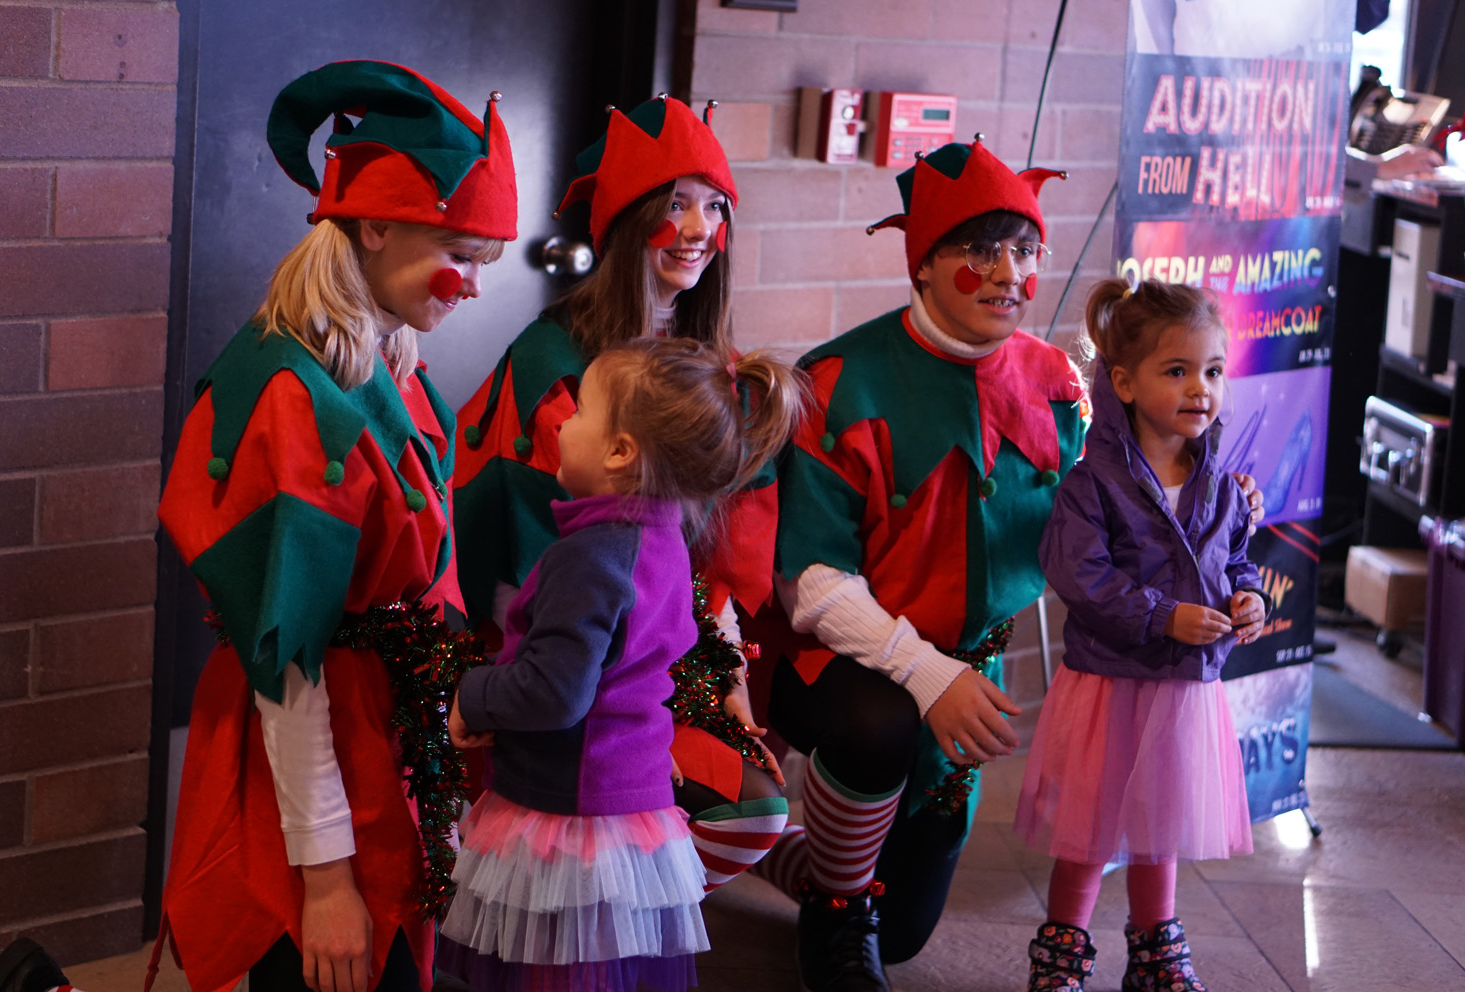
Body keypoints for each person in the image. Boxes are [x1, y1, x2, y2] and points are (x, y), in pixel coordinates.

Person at [151, 60, 516, 992]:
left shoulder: (390, 361)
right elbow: (289, 665)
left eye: (485, 261)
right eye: (459, 253)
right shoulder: (289, 397)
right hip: (313, 760)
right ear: (376, 226)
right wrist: (322, 878)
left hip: (382, 735)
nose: (473, 287)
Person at [758, 139, 1082, 992]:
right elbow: (809, 582)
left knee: (901, 934)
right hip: (831, 659)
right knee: (880, 726)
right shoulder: (837, 380)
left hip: (966, 672)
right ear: (925, 263)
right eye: (981, 249)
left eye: (1025, 249)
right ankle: (837, 912)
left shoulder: (1056, 384)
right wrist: (928, 676)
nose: (1009, 273)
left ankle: (758, 850)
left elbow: (1093, 528)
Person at [451, 94, 788, 894]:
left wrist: (729, 674)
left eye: (715, 206)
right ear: (627, 222)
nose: (699, 228)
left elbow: (720, 557)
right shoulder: (552, 368)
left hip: (666, 650)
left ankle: (771, 875)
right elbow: (543, 591)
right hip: (570, 675)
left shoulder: (712, 367)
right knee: (733, 807)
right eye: (676, 205)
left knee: (755, 802)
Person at [436, 337, 808, 992]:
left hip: (567, 812)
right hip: (630, 803)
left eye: (580, 411)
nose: (563, 423)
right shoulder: (664, 541)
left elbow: (555, 692)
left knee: (554, 974)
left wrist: (474, 695)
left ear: (619, 452)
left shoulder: (588, 558)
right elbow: (634, 671)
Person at [1016, 278, 1268, 992]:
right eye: (1177, 370)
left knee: (1164, 820)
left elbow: (1234, 558)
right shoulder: (1092, 484)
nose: (1200, 389)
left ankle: (1157, 949)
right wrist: (1163, 616)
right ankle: (1061, 954)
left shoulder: (1221, 484)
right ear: (1124, 383)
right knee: (1090, 827)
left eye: (1212, 371)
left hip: (1184, 687)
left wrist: (1247, 597)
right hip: (1110, 684)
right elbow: (1082, 577)